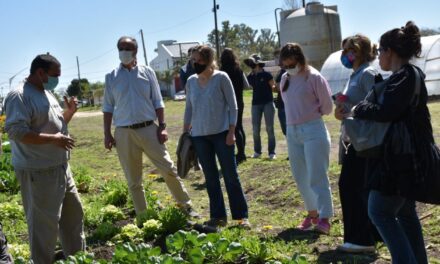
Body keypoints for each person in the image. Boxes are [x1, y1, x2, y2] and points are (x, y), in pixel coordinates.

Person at [350, 21, 429, 263]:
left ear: (390, 52)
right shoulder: (405, 75)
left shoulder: (404, 76)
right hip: (406, 155)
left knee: (379, 211)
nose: (378, 56)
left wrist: (360, 107)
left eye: (381, 50)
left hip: (400, 158)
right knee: (405, 213)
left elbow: (386, 111)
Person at [103, 36, 198, 218]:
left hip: (149, 129)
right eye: (121, 48)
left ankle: (186, 206)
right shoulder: (111, 77)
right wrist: (107, 134)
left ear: (135, 51)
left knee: (168, 169)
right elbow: (107, 108)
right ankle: (143, 216)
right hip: (124, 133)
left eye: (128, 48)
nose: (124, 51)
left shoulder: (147, 72)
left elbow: (158, 101)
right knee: (134, 180)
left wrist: (162, 126)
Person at [4, 54, 85, 263]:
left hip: (61, 168)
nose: (57, 79)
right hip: (39, 172)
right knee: (43, 230)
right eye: (54, 75)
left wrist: (70, 112)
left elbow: (54, 126)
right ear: (40, 73)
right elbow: (16, 132)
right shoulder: (19, 96)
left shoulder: (47, 93)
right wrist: (53, 139)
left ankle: (77, 260)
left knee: (73, 219)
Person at [184, 45, 249, 229]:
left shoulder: (221, 78)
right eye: (193, 60)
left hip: (222, 134)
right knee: (211, 178)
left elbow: (233, 106)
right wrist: (185, 134)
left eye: (198, 60)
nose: (195, 63)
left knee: (230, 176)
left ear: (208, 59)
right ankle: (218, 217)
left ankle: (241, 217)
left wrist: (231, 131)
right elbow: (189, 108)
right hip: (199, 136)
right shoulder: (190, 81)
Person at [279, 43, 334, 234]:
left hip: (313, 130)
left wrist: (310, 114)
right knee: (300, 175)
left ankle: (325, 218)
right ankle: (312, 214)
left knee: (317, 175)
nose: (289, 68)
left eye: (292, 63)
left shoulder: (314, 77)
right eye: (285, 65)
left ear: (300, 59)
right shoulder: (285, 78)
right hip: (292, 131)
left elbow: (327, 107)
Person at [334, 34, 380, 253]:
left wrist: (350, 110)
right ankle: (368, 235)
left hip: (365, 142)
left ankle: (362, 240)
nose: (344, 55)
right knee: (356, 187)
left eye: (347, 51)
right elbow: (356, 104)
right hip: (355, 140)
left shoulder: (368, 74)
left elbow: (377, 106)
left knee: (351, 187)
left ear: (358, 52)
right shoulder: (354, 75)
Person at [220, 48, 249, 165]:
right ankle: (242, 152)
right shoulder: (239, 70)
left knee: (232, 128)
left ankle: (240, 154)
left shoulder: (222, 71)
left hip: (227, 103)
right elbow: (247, 86)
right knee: (239, 127)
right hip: (239, 101)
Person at [244, 54, 277, 160]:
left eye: (253, 63)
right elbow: (246, 86)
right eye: (250, 63)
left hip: (268, 103)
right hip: (255, 104)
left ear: (258, 63)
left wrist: (275, 88)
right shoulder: (250, 77)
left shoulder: (267, 75)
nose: (251, 65)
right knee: (255, 129)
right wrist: (252, 73)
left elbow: (273, 86)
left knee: (270, 128)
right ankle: (257, 151)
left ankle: (272, 152)